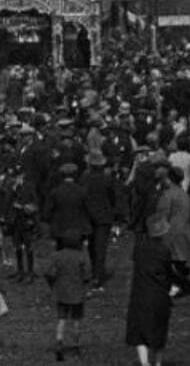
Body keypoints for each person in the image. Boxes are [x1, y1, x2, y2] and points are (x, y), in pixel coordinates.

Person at [125, 216, 175, 366]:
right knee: (159, 330)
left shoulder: (139, 248)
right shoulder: (164, 250)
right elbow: (168, 272)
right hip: (159, 294)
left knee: (139, 332)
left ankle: (144, 362)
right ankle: (158, 362)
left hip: (140, 292)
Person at [43, 230, 92, 361]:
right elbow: (87, 275)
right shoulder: (81, 256)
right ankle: (76, 345)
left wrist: (52, 285)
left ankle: (59, 342)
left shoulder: (57, 256)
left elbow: (48, 273)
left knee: (61, 319)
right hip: (77, 293)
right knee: (76, 320)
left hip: (61, 292)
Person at [80, 150, 121, 290]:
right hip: (104, 216)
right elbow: (113, 197)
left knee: (91, 246)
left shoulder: (84, 178)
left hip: (88, 215)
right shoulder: (107, 179)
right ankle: (98, 275)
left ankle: (95, 272)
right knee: (100, 247)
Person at [156, 166, 190, 297]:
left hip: (172, 231)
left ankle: (182, 286)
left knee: (172, 262)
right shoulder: (184, 193)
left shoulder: (168, 194)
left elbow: (163, 214)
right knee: (182, 260)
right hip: (185, 229)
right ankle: (183, 285)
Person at [42, 162, 92, 251]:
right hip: (79, 229)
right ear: (75, 175)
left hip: (59, 229)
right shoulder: (82, 192)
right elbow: (88, 210)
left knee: (60, 253)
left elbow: (47, 213)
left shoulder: (55, 192)